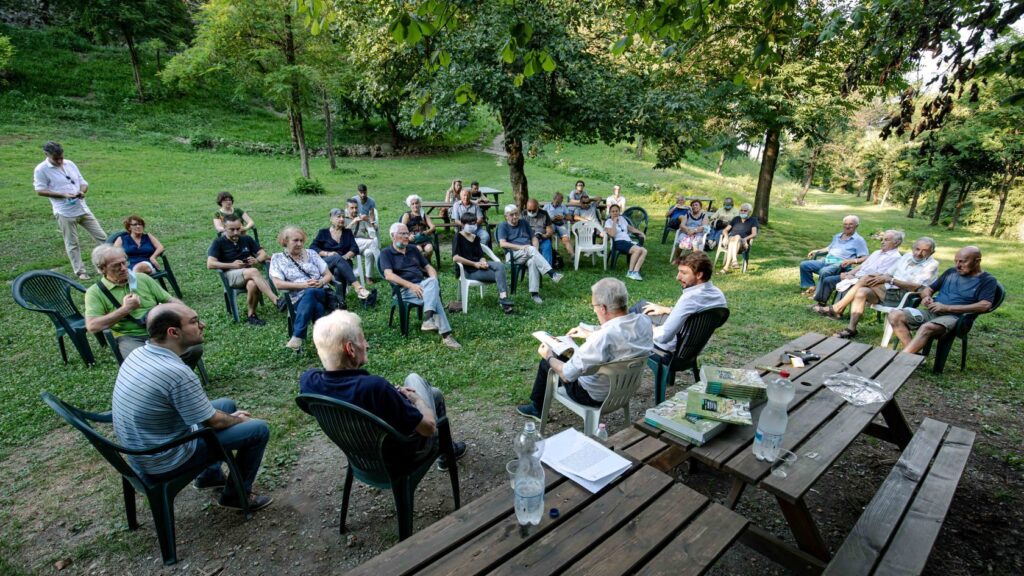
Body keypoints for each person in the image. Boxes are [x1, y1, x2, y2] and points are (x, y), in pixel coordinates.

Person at [112, 302, 271, 511]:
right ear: (173, 332)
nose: (202, 325)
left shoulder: (139, 353)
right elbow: (213, 420)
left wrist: (228, 416)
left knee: (225, 404)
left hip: (143, 448)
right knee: (257, 429)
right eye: (194, 322)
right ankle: (235, 496)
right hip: (163, 459)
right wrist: (238, 419)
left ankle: (209, 476)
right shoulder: (175, 372)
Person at [300, 310, 467, 469]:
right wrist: (416, 400)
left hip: (359, 454)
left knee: (435, 394)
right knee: (415, 380)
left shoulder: (309, 382)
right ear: (350, 349)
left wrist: (390, 399)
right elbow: (428, 428)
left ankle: (448, 449)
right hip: (401, 456)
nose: (366, 344)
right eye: (362, 339)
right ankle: (446, 451)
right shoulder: (374, 388)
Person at [516, 278, 652, 420]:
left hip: (593, 396)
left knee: (549, 360)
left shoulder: (602, 338)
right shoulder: (644, 321)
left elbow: (566, 375)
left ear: (603, 308)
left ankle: (537, 408)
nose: (594, 310)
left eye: (594, 305)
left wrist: (548, 356)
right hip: (626, 391)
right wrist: (590, 333)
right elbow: (621, 337)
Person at [85, 244, 203, 368]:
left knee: (193, 348)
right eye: (116, 265)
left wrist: (190, 316)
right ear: (102, 269)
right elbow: (93, 326)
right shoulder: (95, 292)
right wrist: (126, 309)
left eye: (124, 262)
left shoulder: (142, 279)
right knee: (144, 364)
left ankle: (179, 380)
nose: (124, 268)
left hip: (159, 331)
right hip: (130, 336)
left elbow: (170, 300)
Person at [888, 246, 999, 355]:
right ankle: (913, 354)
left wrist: (947, 307)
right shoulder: (951, 272)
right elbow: (928, 289)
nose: (958, 266)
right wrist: (926, 297)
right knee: (895, 315)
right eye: (956, 261)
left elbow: (985, 305)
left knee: (927, 327)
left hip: (956, 318)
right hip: (933, 312)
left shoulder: (987, 280)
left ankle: (902, 358)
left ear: (977, 261)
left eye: (963, 262)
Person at [823, 237, 939, 339]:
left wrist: (890, 280)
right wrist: (879, 277)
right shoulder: (907, 256)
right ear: (913, 248)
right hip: (888, 290)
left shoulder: (932, 265)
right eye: (917, 249)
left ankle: (838, 308)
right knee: (862, 291)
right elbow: (889, 273)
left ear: (932, 253)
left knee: (865, 279)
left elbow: (916, 286)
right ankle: (851, 328)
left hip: (904, 296)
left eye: (925, 251)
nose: (919, 253)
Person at [380, 223, 462, 350]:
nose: (407, 236)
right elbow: (389, 275)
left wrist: (433, 280)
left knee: (432, 283)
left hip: (422, 286)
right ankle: (445, 335)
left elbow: (428, 267)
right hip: (404, 290)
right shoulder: (386, 252)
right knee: (435, 300)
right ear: (393, 236)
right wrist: (411, 285)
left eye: (408, 233)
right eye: (403, 234)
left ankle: (429, 320)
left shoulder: (413, 249)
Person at [33, 141, 108, 280]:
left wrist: (81, 192)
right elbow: (39, 190)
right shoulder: (41, 169)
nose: (60, 161)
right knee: (72, 243)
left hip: (82, 208)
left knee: (102, 237)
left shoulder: (69, 164)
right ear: (47, 155)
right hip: (64, 212)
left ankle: (107, 264)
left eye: (61, 157)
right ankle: (80, 271)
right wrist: (62, 195)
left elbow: (83, 182)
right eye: (56, 159)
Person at [629, 251, 727, 355]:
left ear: (699, 275)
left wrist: (649, 329)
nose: (678, 277)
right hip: (691, 343)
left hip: (671, 348)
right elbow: (699, 315)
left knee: (634, 314)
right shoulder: (718, 294)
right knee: (643, 305)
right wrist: (668, 310)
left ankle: (616, 335)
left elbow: (663, 337)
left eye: (683, 273)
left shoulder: (690, 298)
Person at [207, 214, 281, 325]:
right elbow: (210, 264)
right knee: (254, 271)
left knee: (252, 284)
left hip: (249, 275)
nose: (236, 232)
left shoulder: (246, 239)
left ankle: (251, 315)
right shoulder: (218, 242)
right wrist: (232, 265)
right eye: (232, 230)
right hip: (231, 275)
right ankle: (276, 300)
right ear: (225, 228)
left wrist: (256, 260)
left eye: (238, 229)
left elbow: (263, 254)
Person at [270, 226, 335, 351]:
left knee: (311, 292)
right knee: (317, 306)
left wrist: (321, 282)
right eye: (295, 240)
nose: (299, 244)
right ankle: (324, 341)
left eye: (301, 240)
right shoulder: (277, 259)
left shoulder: (312, 253)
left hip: (322, 292)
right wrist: (303, 285)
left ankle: (297, 336)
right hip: (297, 299)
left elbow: (328, 275)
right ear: (285, 241)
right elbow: (278, 284)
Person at [811, 230, 904, 308]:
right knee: (828, 280)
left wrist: (855, 278)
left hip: (867, 282)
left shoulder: (895, 257)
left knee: (846, 285)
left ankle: (835, 312)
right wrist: (849, 273)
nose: (882, 242)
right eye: (882, 239)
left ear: (896, 243)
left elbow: (879, 275)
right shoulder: (877, 252)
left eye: (886, 240)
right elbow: (862, 266)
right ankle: (821, 304)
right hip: (855, 276)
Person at [497, 204, 564, 304]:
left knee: (533, 261)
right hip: (513, 254)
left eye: (516, 214)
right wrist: (522, 248)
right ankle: (552, 273)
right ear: (506, 216)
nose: (515, 216)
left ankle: (534, 294)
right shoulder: (503, 226)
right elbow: (502, 243)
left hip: (529, 252)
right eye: (512, 215)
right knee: (531, 250)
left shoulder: (523, 222)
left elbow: (533, 238)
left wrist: (534, 249)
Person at [452, 212, 514, 315]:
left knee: (500, 266)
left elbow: (481, 255)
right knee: (499, 274)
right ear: (463, 224)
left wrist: (483, 262)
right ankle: (505, 303)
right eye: (470, 223)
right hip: (469, 270)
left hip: (479, 266)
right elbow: (455, 257)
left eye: (474, 223)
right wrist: (474, 264)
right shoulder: (458, 237)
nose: (473, 225)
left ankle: (503, 299)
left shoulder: (476, 238)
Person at [310, 208, 372, 301]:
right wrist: (327, 253)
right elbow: (313, 248)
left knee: (338, 270)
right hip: (326, 264)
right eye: (338, 217)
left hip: (345, 264)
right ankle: (358, 287)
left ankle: (341, 301)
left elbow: (355, 248)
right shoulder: (323, 233)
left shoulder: (347, 232)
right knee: (336, 257)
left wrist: (345, 257)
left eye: (343, 217)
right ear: (331, 219)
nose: (342, 219)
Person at [799, 215, 869, 296]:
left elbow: (866, 257)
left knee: (824, 271)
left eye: (850, 224)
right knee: (804, 265)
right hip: (826, 260)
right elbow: (829, 248)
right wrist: (817, 250)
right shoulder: (838, 236)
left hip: (840, 264)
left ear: (856, 226)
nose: (847, 226)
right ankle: (811, 287)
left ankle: (819, 294)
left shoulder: (859, 240)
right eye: (845, 224)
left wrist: (851, 261)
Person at [605, 204, 648, 281]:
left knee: (644, 251)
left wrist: (641, 233)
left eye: (616, 211)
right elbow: (612, 234)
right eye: (613, 211)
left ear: (619, 212)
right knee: (637, 250)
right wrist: (614, 222)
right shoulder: (608, 222)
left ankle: (635, 272)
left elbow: (630, 228)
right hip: (618, 242)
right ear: (610, 213)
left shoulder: (622, 219)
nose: (615, 213)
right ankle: (630, 272)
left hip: (628, 241)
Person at [345, 198, 380, 282]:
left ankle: (368, 276)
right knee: (373, 243)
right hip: (349, 245)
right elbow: (342, 234)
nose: (354, 210)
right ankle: (384, 268)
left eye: (356, 208)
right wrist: (353, 222)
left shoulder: (361, 218)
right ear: (347, 208)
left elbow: (374, 231)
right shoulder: (344, 219)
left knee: (369, 253)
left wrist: (368, 220)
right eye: (352, 208)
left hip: (361, 244)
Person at [719, 203, 758, 272]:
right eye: (741, 210)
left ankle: (726, 268)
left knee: (736, 238)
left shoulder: (753, 220)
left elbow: (754, 234)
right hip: (730, 239)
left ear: (749, 212)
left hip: (742, 243)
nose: (742, 212)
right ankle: (734, 260)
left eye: (745, 211)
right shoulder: (736, 219)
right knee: (736, 237)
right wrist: (725, 236)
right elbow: (725, 230)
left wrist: (745, 239)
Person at [400, 195, 436, 260]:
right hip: (413, 240)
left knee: (429, 249)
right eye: (412, 204)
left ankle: (427, 263)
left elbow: (433, 227)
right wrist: (408, 236)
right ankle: (419, 265)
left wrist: (428, 231)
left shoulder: (424, 215)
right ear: (410, 206)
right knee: (418, 250)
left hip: (424, 238)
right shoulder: (407, 215)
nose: (415, 205)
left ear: (420, 204)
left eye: (416, 203)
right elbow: (402, 228)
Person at [523, 198, 555, 264]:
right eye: (529, 210)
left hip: (542, 238)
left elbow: (549, 230)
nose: (531, 212)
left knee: (547, 246)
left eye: (534, 210)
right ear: (526, 207)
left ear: (538, 207)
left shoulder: (544, 214)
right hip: (528, 239)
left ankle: (547, 268)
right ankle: (529, 265)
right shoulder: (523, 214)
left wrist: (545, 235)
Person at [543, 192, 575, 258]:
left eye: (562, 199)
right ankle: (550, 254)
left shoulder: (563, 206)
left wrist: (562, 217)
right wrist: (551, 219)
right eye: (560, 199)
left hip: (560, 224)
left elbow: (569, 217)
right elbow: (542, 217)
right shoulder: (547, 206)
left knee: (566, 239)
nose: (562, 201)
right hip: (551, 224)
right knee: (549, 237)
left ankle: (573, 255)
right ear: (554, 199)